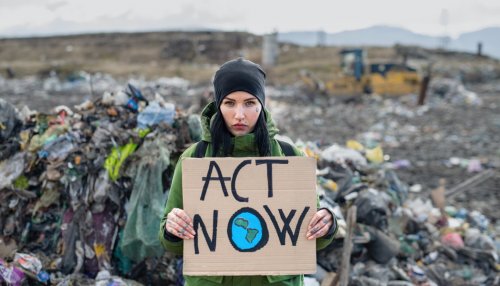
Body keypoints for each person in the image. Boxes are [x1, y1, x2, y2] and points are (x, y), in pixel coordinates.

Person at [159, 58, 338, 286]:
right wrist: (173, 228)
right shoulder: (195, 158)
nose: (240, 114)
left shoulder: (290, 157)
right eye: (230, 103)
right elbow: (170, 243)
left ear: (261, 104)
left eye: (249, 103)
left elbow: (309, 236)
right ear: (218, 105)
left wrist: (326, 224)